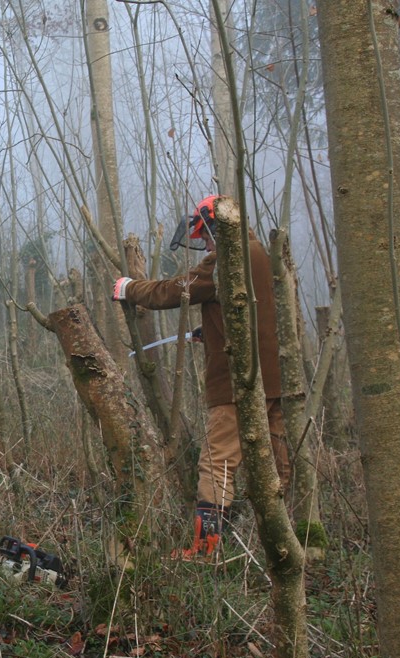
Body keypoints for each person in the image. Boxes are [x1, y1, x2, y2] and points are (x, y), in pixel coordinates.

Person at [112, 195, 289, 559]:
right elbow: (253, 315)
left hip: (237, 384)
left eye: (206, 237)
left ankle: (205, 548)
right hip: (274, 378)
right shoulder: (261, 256)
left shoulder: (229, 259)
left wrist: (130, 288)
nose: (205, 245)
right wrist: (210, 330)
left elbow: (176, 289)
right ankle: (287, 542)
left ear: (219, 229)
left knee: (217, 461)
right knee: (277, 461)